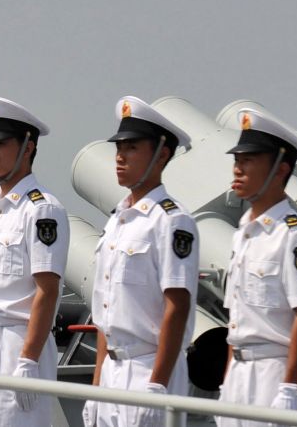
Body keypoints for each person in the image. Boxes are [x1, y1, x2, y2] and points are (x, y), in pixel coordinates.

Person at [84, 97, 198, 427]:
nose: (119, 156)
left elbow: (176, 307)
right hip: (112, 370)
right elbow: (106, 313)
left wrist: (157, 386)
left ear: (161, 154)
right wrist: (96, 388)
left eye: (132, 147)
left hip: (149, 369)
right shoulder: (118, 219)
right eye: (119, 147)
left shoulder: (173, 222)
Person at [217, 109, 297, 427]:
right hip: (238, 375)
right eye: (237, 159)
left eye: (249, 160)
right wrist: (227, 383)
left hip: (275, 375)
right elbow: (236, 323)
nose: (238, 168)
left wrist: (290, 388)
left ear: (280, 169)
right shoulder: (243, 233)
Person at [0, 97, 67, 427]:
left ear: (27, 147)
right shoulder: (0, 210)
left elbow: (47, 290)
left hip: (18, 342)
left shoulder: (41, 209)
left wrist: (28, 359)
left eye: (0, 144)